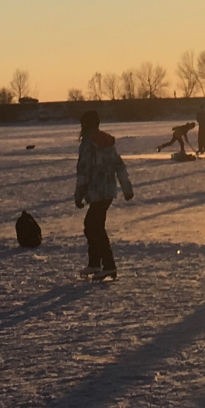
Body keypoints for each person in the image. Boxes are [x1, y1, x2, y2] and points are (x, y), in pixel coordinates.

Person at [73, 110, 133, 281]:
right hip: (108, 191)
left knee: (95, 227)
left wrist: (79, 195)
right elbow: (119, 166)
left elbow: (83, 171)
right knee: (92, 225)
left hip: (97, 191)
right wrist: (126, 189)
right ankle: (95, 263)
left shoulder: (87, 144)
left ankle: (108, 265)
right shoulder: (106, 141)